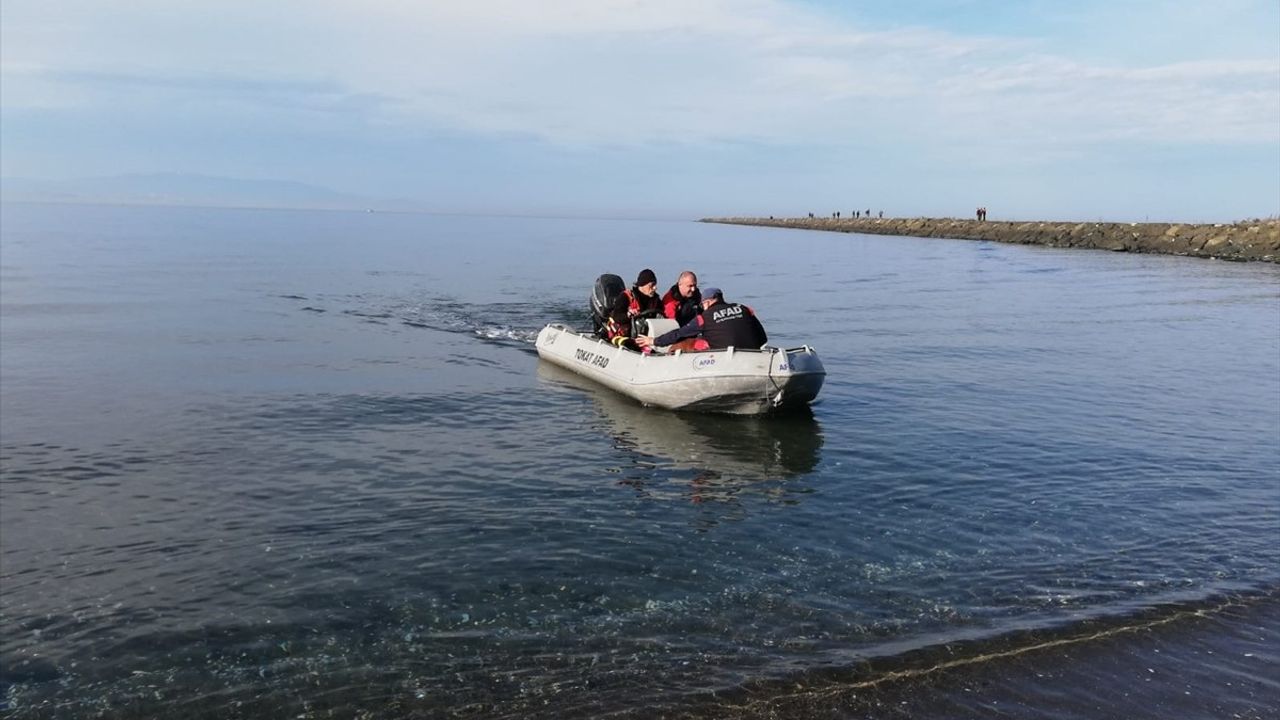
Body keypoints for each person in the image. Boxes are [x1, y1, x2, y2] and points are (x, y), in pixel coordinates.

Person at [635, 287, 767, 353]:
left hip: (725, 359)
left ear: (708, 303)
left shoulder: (705, 317)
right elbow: (763, 338)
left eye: (703, 305)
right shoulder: (744, 309)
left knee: (691, 343)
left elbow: (679, 333)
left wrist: (653, 341)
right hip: (753, 355)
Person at [605, 268, 663, 349]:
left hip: (647, 336)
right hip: (625, 335)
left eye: (655, 285)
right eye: (652, 285)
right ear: (642, 284)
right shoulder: (626, 297)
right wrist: (628, 315)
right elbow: (617, 317)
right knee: (629, 344)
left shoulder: (656, 300)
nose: (655, 288)